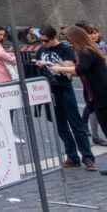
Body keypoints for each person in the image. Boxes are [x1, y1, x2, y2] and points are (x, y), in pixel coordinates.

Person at [42, 26, 104, 173]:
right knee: (62, 127)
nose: (43, 43)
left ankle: (87, 157)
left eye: (45, 40)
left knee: (77, 125)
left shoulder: (77, 51)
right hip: (54, 93)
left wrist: (59, 68)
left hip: (75, 91)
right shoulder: (42, 50)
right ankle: (72, 156)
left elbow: (77, 69)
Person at [76, 23, 107, 146]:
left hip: (101, 84)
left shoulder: (102, 45)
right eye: (90, 33)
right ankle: (94, 134)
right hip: (93, 86)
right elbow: (80, 68)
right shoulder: (86, 50)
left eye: (95, 32)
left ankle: (87, 126)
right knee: (92, 109)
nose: (94, 35)